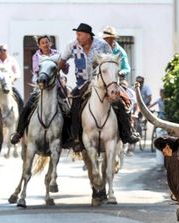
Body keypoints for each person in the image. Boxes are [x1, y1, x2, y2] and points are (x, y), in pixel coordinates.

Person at [58, 23, 140, 152]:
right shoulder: (72, 46)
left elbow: (112, 62)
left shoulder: (103, 45)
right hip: (83, 83)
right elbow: (62, 61)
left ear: (88, 35)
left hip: (104, 83)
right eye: (77, 34)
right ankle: (76, 139)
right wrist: (58, 69)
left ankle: (127, 133)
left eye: (79, 34)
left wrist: (115, 76)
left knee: (120, 102)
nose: (77, 37)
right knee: (74, 105)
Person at [10, 35, 68, 145]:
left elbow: (65, 69)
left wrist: (64, 66)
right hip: (41, 87)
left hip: (56, 86)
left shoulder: (57, 54)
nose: (45, 44)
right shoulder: (36, 56)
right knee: (27, 107)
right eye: (43, 43)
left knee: (67, 108)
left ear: (50, 43)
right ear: (39, 45)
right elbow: (37, 69)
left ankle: (70, 136)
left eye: (47, 42)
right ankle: (19, 132)